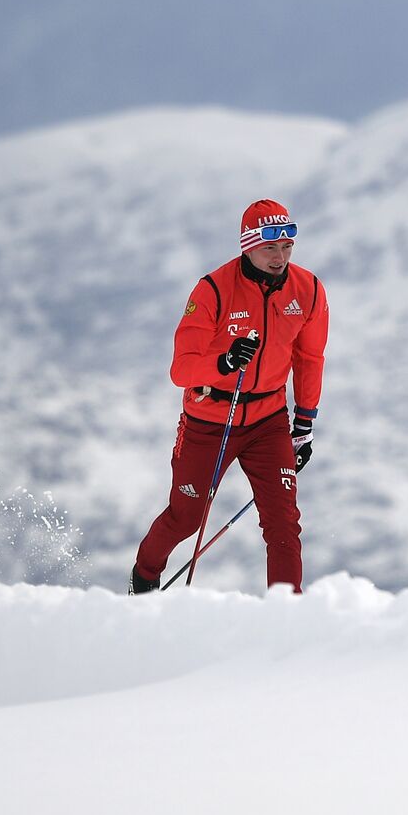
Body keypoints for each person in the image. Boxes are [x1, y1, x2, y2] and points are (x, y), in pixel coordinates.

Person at [130, 199, 330, 594]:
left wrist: (303, 425)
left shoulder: (307, 291)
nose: (280, 257)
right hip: (209, 420)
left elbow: (310, 359)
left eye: (287, 246)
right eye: (269, 247)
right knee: (186, 519)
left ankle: (287, 615)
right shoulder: (213, 290)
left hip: (268, 422)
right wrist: (223, 362)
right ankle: (143, 580)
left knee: (283, 524)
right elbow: (181, 369)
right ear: (248, 246)